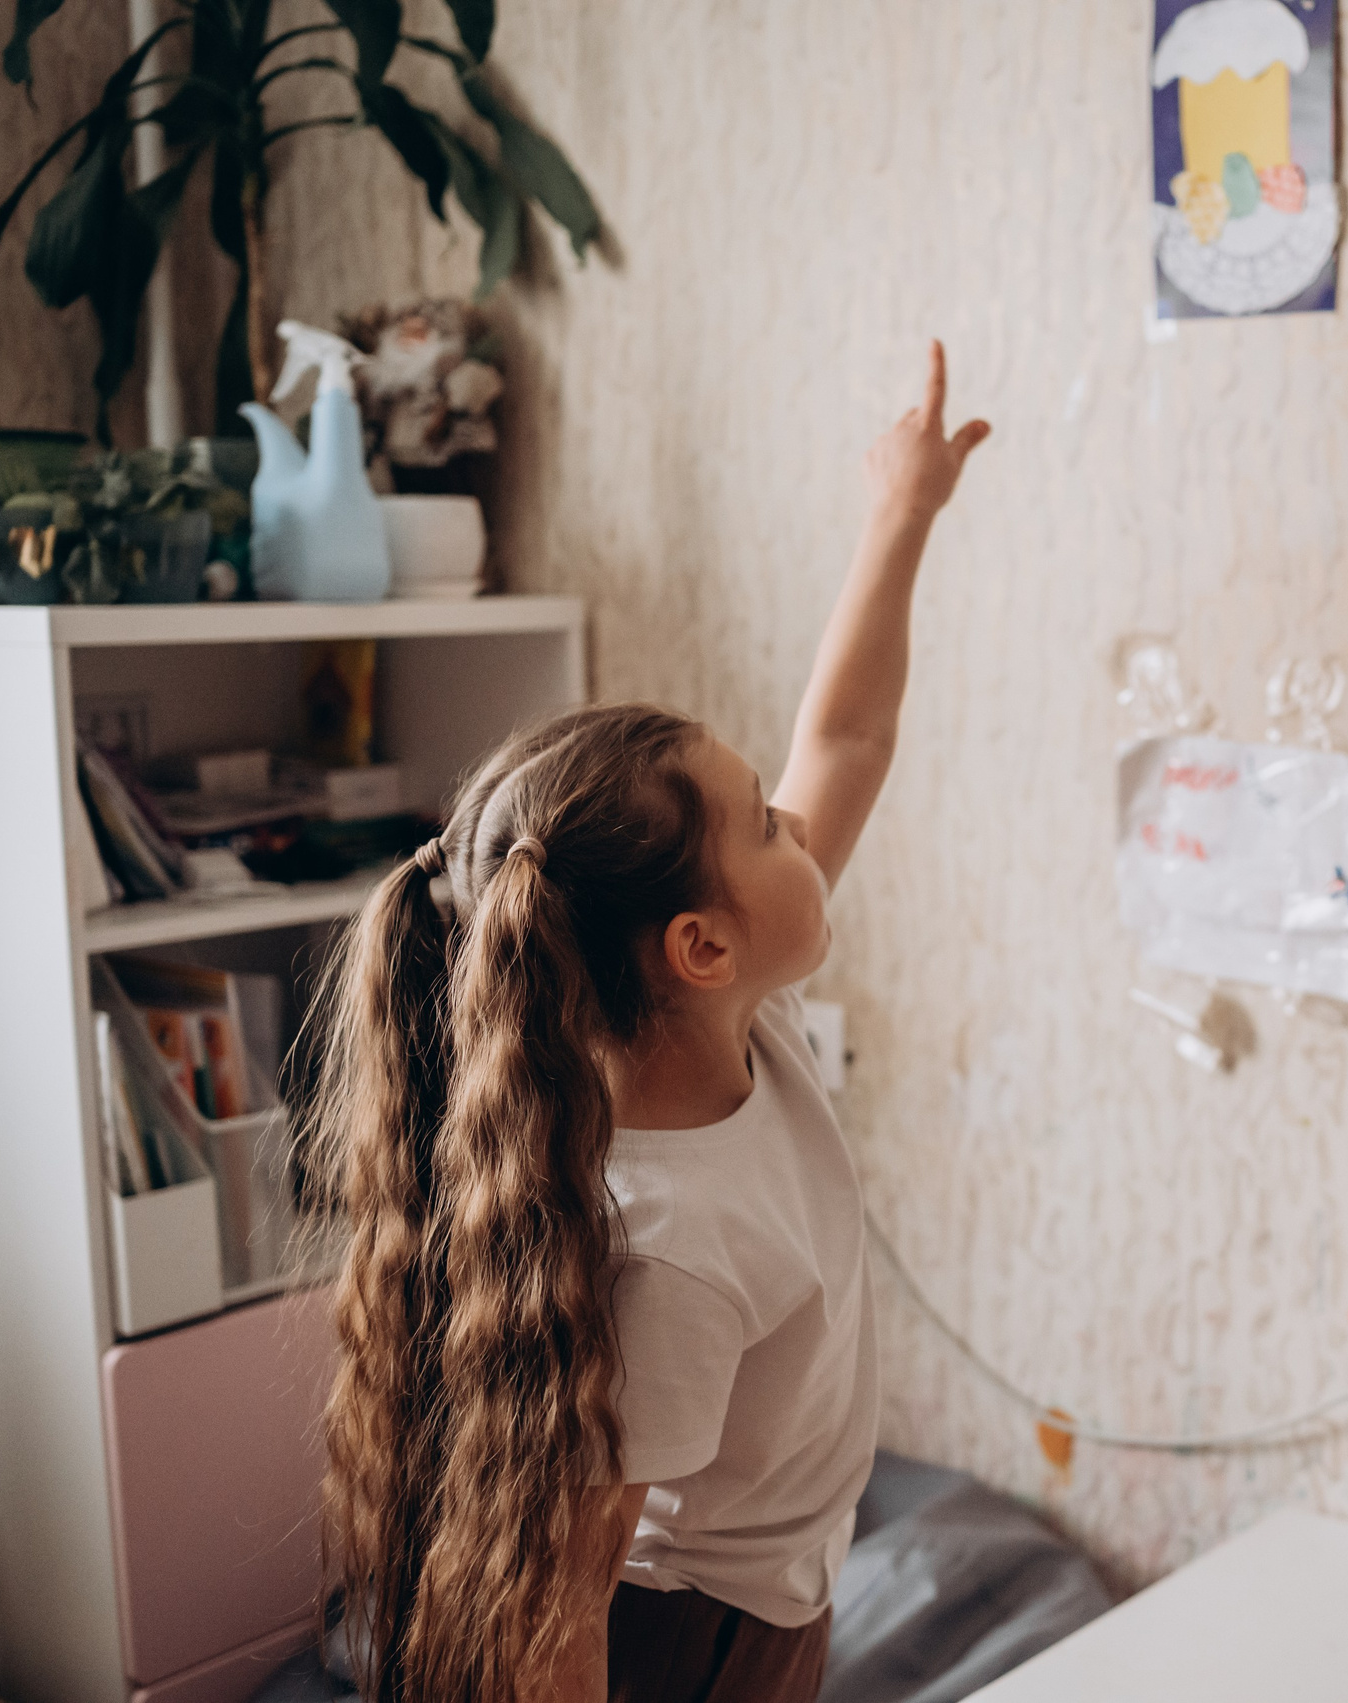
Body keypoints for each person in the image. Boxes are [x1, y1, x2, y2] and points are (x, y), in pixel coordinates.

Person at [299, 343, 990, 1703]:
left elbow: (846, 739)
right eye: (763, 822)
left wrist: (901, 513)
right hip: (693, 1644)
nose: (801, 823)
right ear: (699, 943)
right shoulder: (668, 1255)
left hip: (771, 1591)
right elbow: (562, 1618)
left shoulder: (723, 1014)